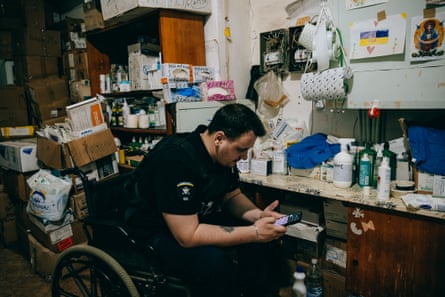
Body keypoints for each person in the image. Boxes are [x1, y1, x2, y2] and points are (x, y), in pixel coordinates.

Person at [131, 103, 289, 297]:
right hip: (155, 232)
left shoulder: (222, 156)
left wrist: (258, 216)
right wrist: (255, 232)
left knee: (264, 244)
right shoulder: (176, 160)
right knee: (215, 263)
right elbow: (188, 236)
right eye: (241, 149)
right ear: (219, 138)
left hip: (195, 218)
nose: (244, 156)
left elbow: (232, 196)